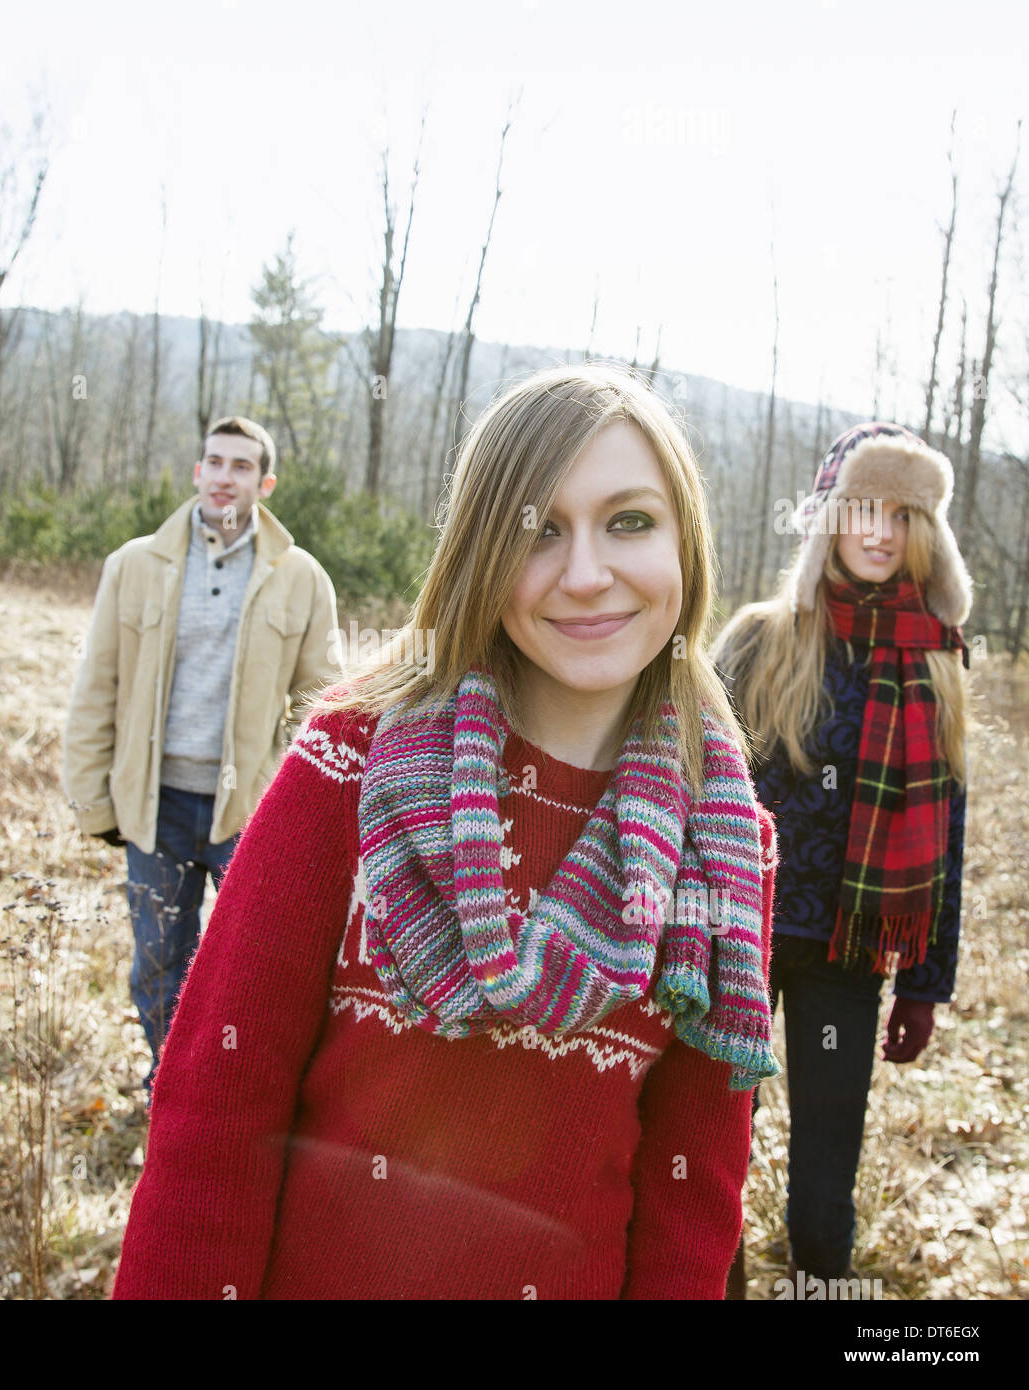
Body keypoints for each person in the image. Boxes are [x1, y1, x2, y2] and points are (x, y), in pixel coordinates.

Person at [112, 363, 781, 1301]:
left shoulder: (721, 842)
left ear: (688, 547)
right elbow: (216, 1111)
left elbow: (693, 1196)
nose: (587, 574)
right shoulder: (353, 763)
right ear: (481, 554)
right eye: (539, 531)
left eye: (629, 521)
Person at [712, 422, 972, 1296]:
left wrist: (927, 983)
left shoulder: (933, 657)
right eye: (861, 508)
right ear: (828, 516)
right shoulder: (760, 638)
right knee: (709, 1158)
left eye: (902, 515)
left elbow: (951, 830)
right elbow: (688, 785)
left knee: (825, 1188)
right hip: (736, 942)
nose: (878, 531)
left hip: (850, 954)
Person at [62, 416, 341, 1100]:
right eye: (214, 462)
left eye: (241, 466)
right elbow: (97, 684)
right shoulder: (134, 566)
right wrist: (95, 801)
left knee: (262, 967)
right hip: (153, 803)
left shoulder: (300, 578)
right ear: (197, 471)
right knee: (158, 963)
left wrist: (300, 802)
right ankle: (172, 1088)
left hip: (245, 809)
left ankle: (243, 1093)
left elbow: (322, 703)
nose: (224, 476)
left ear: (264, 483)